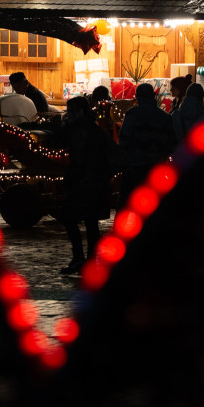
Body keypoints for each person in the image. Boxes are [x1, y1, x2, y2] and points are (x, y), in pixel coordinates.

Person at [58, 96, 113, 275]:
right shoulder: (95, 129)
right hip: (98, 181)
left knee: (69, 218)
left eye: (71, 110)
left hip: (83, 182)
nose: (69, 114)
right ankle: (90, 259)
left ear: (79, 112)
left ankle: (79, 258)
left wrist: (70, 178)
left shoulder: (78, 130)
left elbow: (79, 159)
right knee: (91, 223)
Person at [118, 82, 176, 207]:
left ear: (138, 97)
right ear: (153, 96)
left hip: (135, 166)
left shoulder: (132, 115)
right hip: (156, 167)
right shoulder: (165, 117)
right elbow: (171, 144)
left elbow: (124, 140)